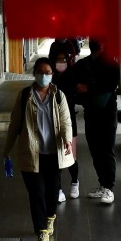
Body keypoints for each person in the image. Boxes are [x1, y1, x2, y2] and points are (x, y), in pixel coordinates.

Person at [2, 57, 75, 241]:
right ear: (35, 73)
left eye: (48, 72)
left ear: (52, 74)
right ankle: (41, 232)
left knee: (52, 192)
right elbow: (15, 124)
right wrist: (6, 149)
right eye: (41, 72)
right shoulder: (25, 95)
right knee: (36, 194)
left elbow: (66, 120)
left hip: (53, 154)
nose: (44, 76)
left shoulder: (58, 95)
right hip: (31, 154)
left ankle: (50, 217)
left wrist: (67, 139)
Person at [72, 37, 120, 204]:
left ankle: (109, 188)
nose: (95, 42)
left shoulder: (110, 63)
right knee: (94, 148)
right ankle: (102, 184)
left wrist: (88, 88)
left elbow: (112, 84)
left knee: (106, 148)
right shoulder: (84, 63)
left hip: (107, 113)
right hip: (91, 111)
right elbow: (72, 80)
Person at [48, 45, 80, 202]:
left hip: (69, 120)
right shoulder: (49, 76)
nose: (61, 62)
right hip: (51, 121)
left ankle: (75, 182)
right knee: (56, 156)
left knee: (71, 154)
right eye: (58, 60)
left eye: (64, 60)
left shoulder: (72, 75)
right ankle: (58, 188)